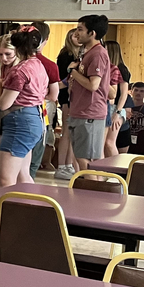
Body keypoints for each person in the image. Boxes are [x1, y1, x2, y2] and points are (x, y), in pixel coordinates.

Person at [0, 27, 50, 188]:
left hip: (19, 122)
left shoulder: (19, 71)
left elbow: (4, 103)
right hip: (35, 117)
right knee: (23, 175)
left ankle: (9, 212)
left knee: (6, 179)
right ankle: (31, 210)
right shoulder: (39, 65)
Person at [66, 14, 112, 172]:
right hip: (79, 111)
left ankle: (94, 194)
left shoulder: (98, 53)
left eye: (80, 29)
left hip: (90, 113)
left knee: (86, 159)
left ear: (92, 33)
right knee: (81, 157)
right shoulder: (86, 53)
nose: (76, 33)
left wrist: (73, 71)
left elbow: (93, 85)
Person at [27, 22, 60, 178]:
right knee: (33, 163)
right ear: (46, 39)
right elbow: (53, 96)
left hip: (14, 112)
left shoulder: (14, 60)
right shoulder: (49, 65)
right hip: (39, 113)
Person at [55, 29, 82, 179]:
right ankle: (61, 166)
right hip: (66, 95)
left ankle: (69, 164)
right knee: (66, 131)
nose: (78, 38)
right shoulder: (66, 55)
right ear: (69, 38)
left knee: (72, 132)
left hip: (75, 95)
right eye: (75, 35)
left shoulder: (80, 55)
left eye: (79, 35)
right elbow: (63, 78)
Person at [104, 41, 131, 158]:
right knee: (105, 144)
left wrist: (118, 112)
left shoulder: (121, 69)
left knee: (109, 143)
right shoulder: (108, 68)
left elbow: (124, 94)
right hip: (110, 107)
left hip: (116, 108)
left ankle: (117, 172)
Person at [125, 82, 144, 154]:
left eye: (142, 91)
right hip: (126, 140)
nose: (138, 93)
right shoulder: (124, 107)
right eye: (136, 90)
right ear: (131, 91)